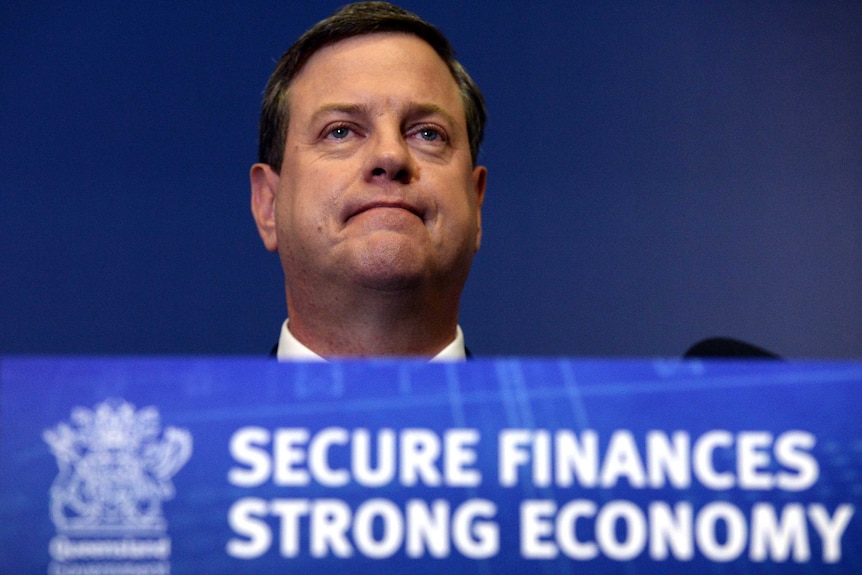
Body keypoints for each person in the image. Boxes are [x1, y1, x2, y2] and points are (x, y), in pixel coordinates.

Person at [250, 2, 487, 361]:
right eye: (340, 131)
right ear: (268, 204)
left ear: (476, 202)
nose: (390, 156)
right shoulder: (177, 419)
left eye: (427, 134)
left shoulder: (569, 419)